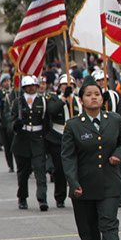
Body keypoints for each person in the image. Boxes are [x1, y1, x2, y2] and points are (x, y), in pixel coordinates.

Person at [61, 75, 121, 240]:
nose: (94, 98)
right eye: (89, 95)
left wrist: (119, 154)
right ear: (81, 100)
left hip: (110, 182)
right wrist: (73, 184)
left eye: (97, 94)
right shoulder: (73, 125)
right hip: (84, 185)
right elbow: (68, 157)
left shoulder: (114, 119)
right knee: (88, 229)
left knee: (108, 224)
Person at [10, 76, 49, 210]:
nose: (31, 88)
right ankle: (22, 197)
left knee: (40, 170)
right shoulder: (17, 102)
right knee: (23, 172)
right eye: (28, 86)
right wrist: (16, 125)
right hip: (22, 139)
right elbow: (11, 119)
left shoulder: (42, 101)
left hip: (37, 139)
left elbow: (46, 121)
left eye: (34, 85)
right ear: (23, 88)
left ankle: (42, 198)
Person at [45, 75, 82, 208]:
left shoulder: (78, 100)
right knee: (60, 169)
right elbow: (52, 111)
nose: (68, 87)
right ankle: (60, 197)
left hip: (75, 136)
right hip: (58, 136)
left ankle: (76, 192)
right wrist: (64, 98)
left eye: (70, 85)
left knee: (77, 167)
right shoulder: (54, 98)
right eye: (64, 85)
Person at [0, 74, 15, 173]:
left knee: (14, 144)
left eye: (8, 80)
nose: (7, 83)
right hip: (4, 123)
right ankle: (10, 165)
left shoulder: (14, 92)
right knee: (7, 146)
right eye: (5, 81)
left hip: (12, 122)